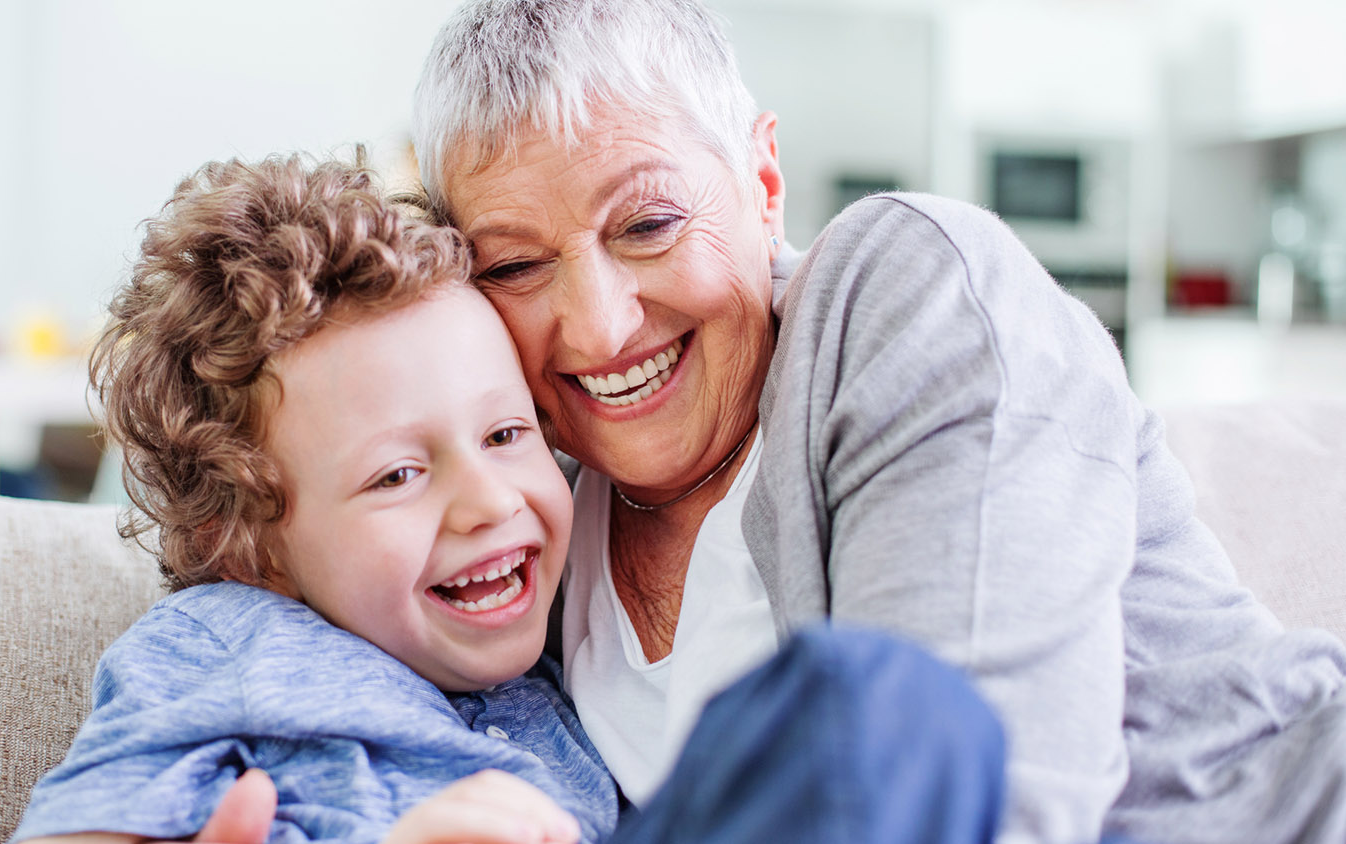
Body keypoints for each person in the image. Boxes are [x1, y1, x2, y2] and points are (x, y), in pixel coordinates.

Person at [402, 1, 1346, 842]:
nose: (601, 325)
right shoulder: (534, 515)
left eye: (648, 225)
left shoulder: (909, 285)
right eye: (515, 268)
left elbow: (978, 788)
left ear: (764, 184)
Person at [11, 154, 1008, 844]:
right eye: (398, 475)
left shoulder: (558, 664)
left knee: (881, 704)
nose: (490, 501)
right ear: (244, 543)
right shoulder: (221, 641)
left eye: (506, 434)